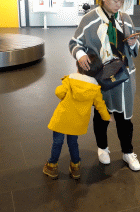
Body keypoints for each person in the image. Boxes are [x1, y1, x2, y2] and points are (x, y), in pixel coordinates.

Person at [69, 0, 140, 171]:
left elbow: (135, 48)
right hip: (101, 78)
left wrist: (134, 44)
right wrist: (81, 54)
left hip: (124, 77)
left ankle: (128, 152)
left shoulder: (125, 19)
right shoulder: (90, 19)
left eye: (122, 1)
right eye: (116, 0)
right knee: (102, 116)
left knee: (125, 119)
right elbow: (74, 42)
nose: (119, 5)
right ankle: (103, 148)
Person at [43, 50, 111, 180]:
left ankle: (52, 166)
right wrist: (107, 117)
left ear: (78, 65)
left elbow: (59, 93)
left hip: (62, 119)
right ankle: (75, 167)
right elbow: (100, 105)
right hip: (77, 122)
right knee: (73, 143)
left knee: (57, 142)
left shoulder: (70, 80)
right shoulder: (95, 88)